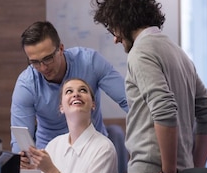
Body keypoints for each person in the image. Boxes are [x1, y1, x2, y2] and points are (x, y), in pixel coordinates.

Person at [91, 0, 207, 173]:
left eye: (114, 29)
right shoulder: (178, 52)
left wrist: (169, 170)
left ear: (125, 22)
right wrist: (192, 169)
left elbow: (164, 109)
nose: (115, 38)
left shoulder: (141, 51)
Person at [11, 21, 128, 151]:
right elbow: (21, 139)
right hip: (50, 151)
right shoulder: (27, 84)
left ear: (61, 49)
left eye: (48, 58)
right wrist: (24, 159)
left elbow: (129, 101)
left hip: (93, 148)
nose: (43, 67)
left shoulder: (90, 62)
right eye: (35, 62)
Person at [21, 78, 123, 173]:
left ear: (93, 104)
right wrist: (31, 172)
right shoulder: (54, 145)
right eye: (69, 91)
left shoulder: (104, 148)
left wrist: (50, 170)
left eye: (82, 90)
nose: (76, 94)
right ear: (61, 107)